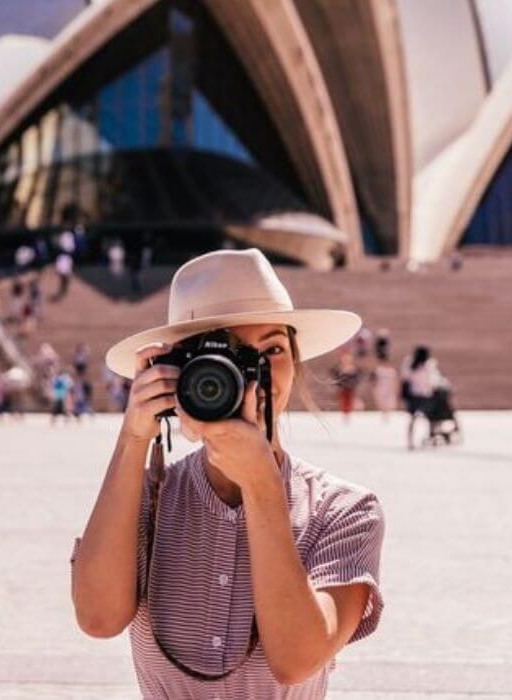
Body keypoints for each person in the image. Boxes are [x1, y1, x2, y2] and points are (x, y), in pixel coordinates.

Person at [72, 249, 384, 696]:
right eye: (229, 357)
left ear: (295, 364)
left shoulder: (345, 510)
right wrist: (132, 438)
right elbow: (97, 618)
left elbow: (297, 660)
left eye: (272, 350)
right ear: (178, 372)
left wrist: (261, 487)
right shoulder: (147, 497)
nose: (252, 376)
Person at [402, 345, 445, 450]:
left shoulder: (410, 364)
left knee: (413, 419)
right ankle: (432, 439)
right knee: (431, 419)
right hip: (426, 396)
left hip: (413, 395)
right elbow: (434, 380)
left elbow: (405, 377)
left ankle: (410, 442)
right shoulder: (429, 365)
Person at [330, 352, 361, 422]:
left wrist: (353, 383)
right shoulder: (340, 368)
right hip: (343, 388)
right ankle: (344, 413)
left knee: (349, 401)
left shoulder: (353, 368)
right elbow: (334, 374)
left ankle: (348, 413)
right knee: (343, 400)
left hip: (350, 387)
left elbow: (357, 377)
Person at [370, 356, 399, 421]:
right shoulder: (378, 370)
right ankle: (384, 414)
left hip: (389, 389)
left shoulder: (392, 371)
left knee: (389, 403)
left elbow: (395, 380)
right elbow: (374, 379)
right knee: (381, 403)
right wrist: (374, 387)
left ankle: (387, 414)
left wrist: (395, 389)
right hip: (380, 388)